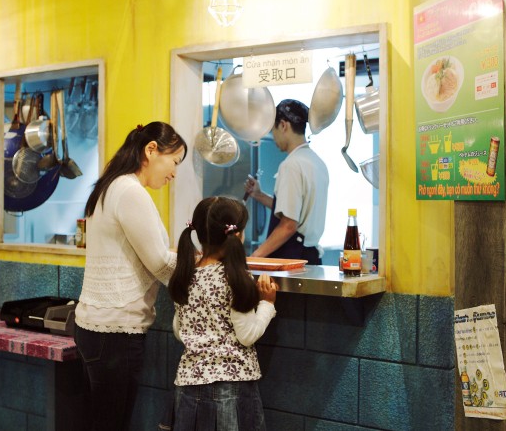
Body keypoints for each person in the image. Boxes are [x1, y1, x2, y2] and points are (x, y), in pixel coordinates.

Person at [73, 121, 187, 431]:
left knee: (101, 420)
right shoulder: (130, 191)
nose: (174, 173)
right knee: (112, 423)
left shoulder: (111, 185)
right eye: (174, 161)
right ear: (151, 150)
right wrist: (204, 267)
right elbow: (160, 262)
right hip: (115, 332)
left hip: (95, 326)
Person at [168, 196, 278, 430]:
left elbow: (179, 331)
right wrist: (267, 304)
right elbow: (247, 335)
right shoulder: (236, 278)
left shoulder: (185, 275)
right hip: (232, 387)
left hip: (188, 385)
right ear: (237, 235)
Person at [243, 99, 329, 265]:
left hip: (292, 258)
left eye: (273, 129)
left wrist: (254, 258)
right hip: (311, 257)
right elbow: (297, 210)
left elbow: (289, 225)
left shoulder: (291, 165)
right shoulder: (317, 162)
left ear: (283, 125)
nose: (272, 136)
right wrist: (259, 195)